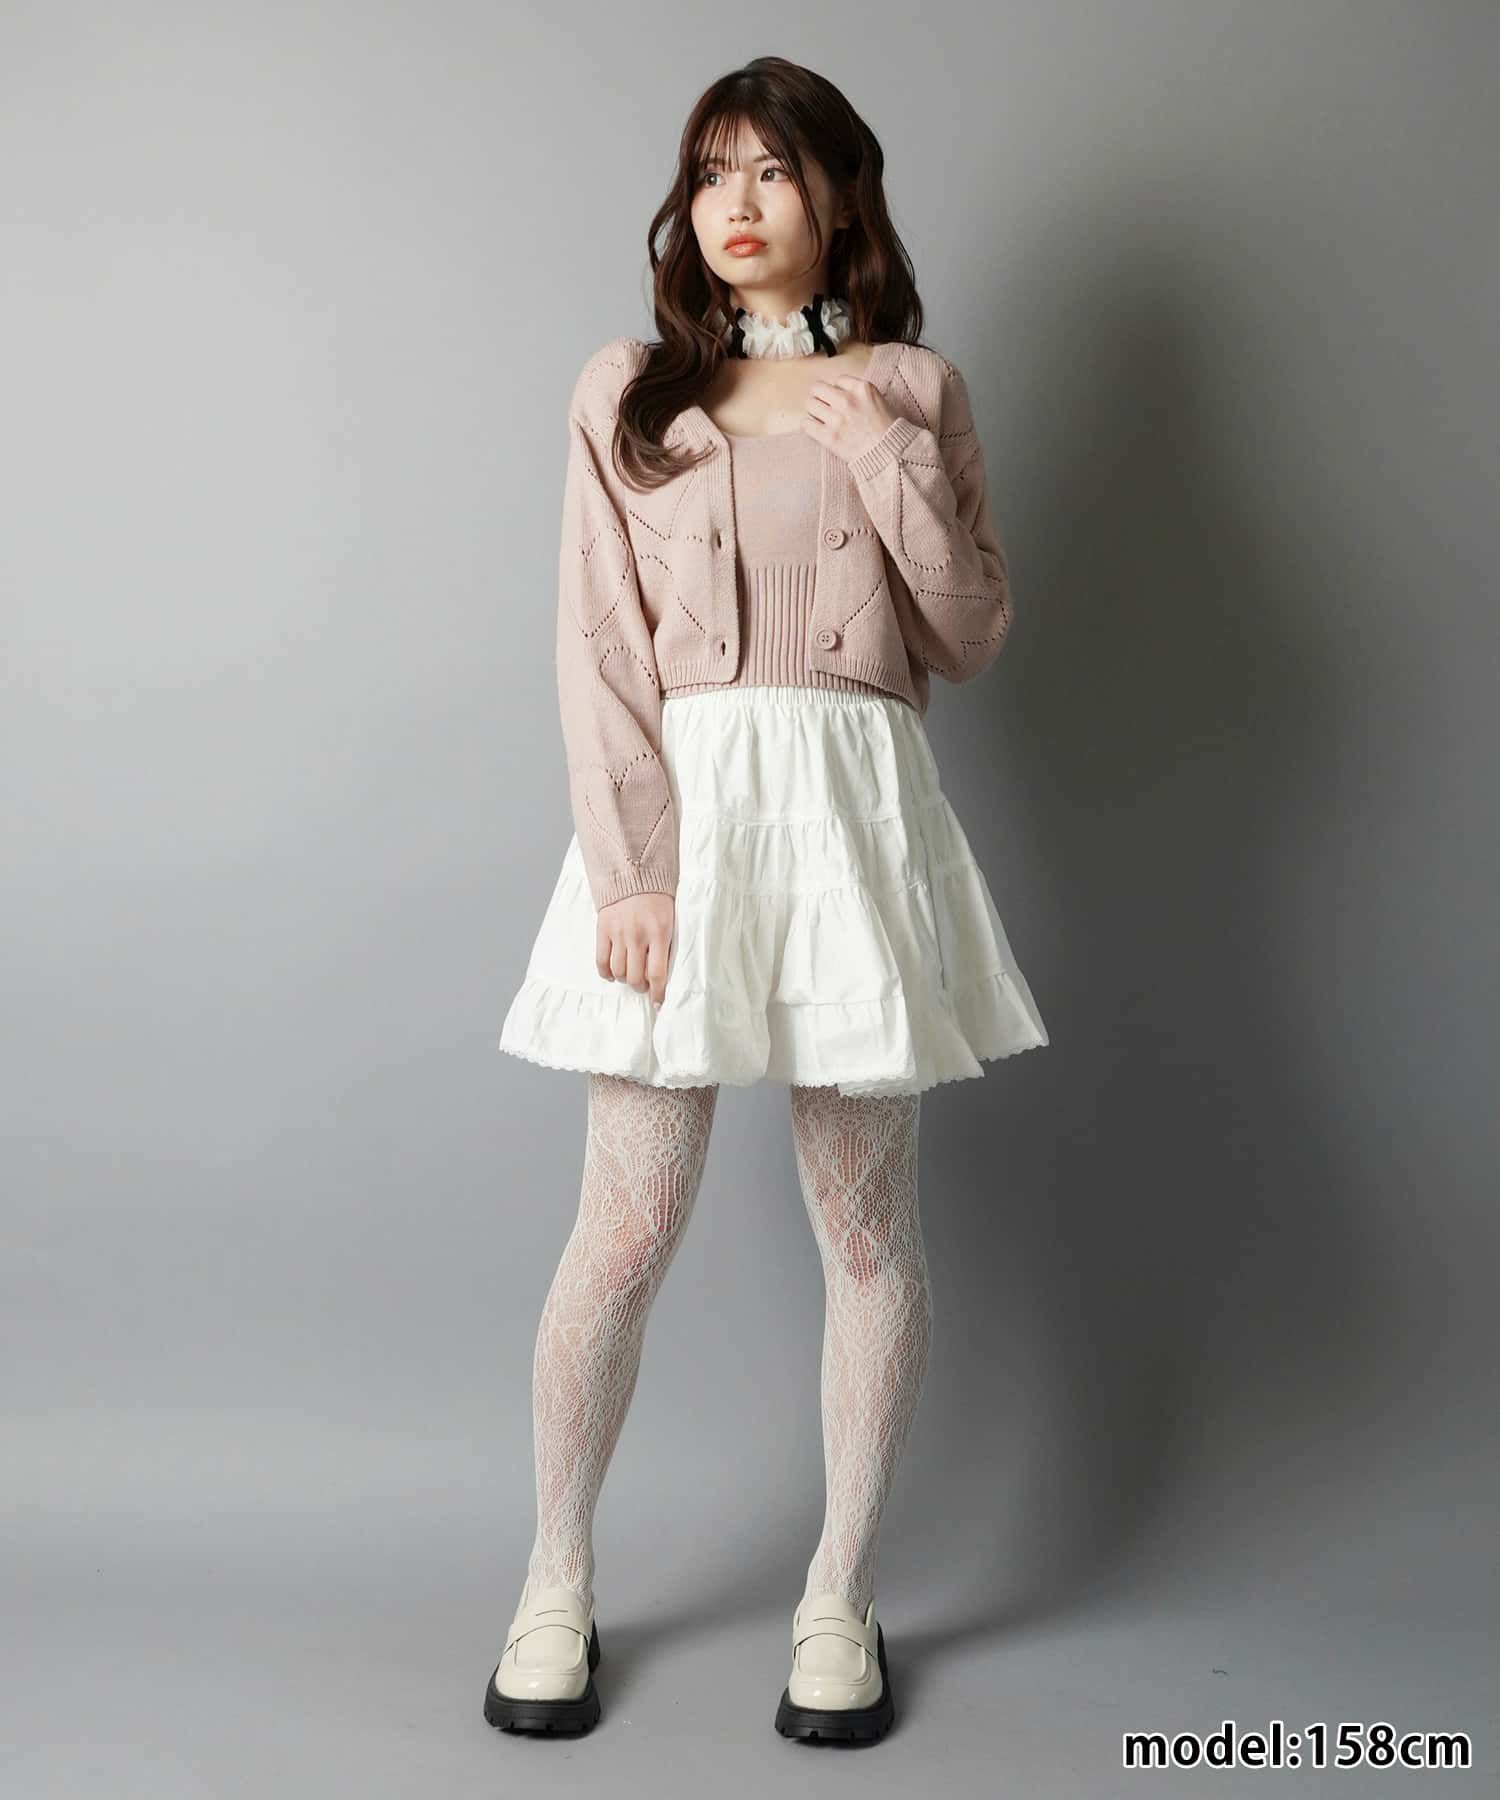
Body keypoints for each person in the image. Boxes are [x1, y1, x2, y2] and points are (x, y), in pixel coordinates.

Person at [485, 54, 1049, 1744]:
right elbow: (598, 645)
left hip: (855, 822)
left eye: (773, 172)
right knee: (624, 1228)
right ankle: (556, 1581)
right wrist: (637, 870)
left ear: (839, 197)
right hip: (686, 819)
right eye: (711, 171)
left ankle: (838, 1596)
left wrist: (880, 452)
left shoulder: (914, 389)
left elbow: (968, 632)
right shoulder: (628, 393)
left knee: (867, 1231)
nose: (734, 204)